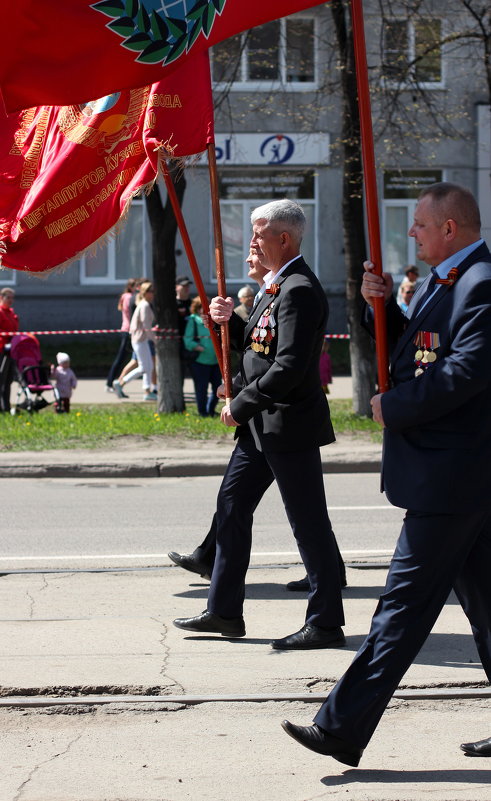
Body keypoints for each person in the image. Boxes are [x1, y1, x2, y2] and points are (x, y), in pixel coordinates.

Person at [282, 182, 491, 765]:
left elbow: (466, 372)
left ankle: (341, 728)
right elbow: (422, 352)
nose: (411, 233)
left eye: (420, 224)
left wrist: (393, 407)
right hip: (456, 477)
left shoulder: (480, 284)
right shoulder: (445, 280)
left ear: (449, 229)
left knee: (400, 607)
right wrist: (388, 311)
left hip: (453, 477)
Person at [173, 199, 345, 650]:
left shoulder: (299, 289)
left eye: (258, 234)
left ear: (283, 239)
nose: (251, 242)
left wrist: (243, 403)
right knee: (231, 509)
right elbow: (263, 346)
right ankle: (224, 611)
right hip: (260, 429)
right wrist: (234, 322)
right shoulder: (277, 286)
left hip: (286, 425)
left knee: (308, 524)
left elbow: (289, 364)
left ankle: (326, 622)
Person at [113, 281, 157, 401]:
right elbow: (146, 325)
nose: (153, 294)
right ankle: (121, 383)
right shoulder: (145, 305)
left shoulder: (144, 304)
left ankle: (147, 391)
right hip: (140, 340)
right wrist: (155, 340)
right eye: (151, 291)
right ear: (146, 292)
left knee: (148, 366)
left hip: (141, 339)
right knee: (144, 367)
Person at [184, 296, 221, 417]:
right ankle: (202, 412)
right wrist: (197, 346)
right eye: (202, 307)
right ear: (197, 308)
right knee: (201, 389)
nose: (204, 309)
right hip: (199, 362)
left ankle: (210, 410)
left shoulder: (214, 320)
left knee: (218, 387)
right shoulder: (193, 320)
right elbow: (187, 340)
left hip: (215, 361)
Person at [105, 278, 137, 392]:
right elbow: (132, 311)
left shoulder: (125, 296)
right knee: (122, 358)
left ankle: (112, 382)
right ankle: (110, 383)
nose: (137, 288)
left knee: (127, 359)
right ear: (131, 287)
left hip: (126, 329)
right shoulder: (129, 297)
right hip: (128, 330)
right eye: (136, 286)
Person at [0, 286, 19, 412]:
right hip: (1, 349)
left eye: (12, 298)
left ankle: (5, 407)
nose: (11, 300)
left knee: (8, 380)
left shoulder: (11, 313)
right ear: (1, 297)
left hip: (11, 350)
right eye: (8, 297)